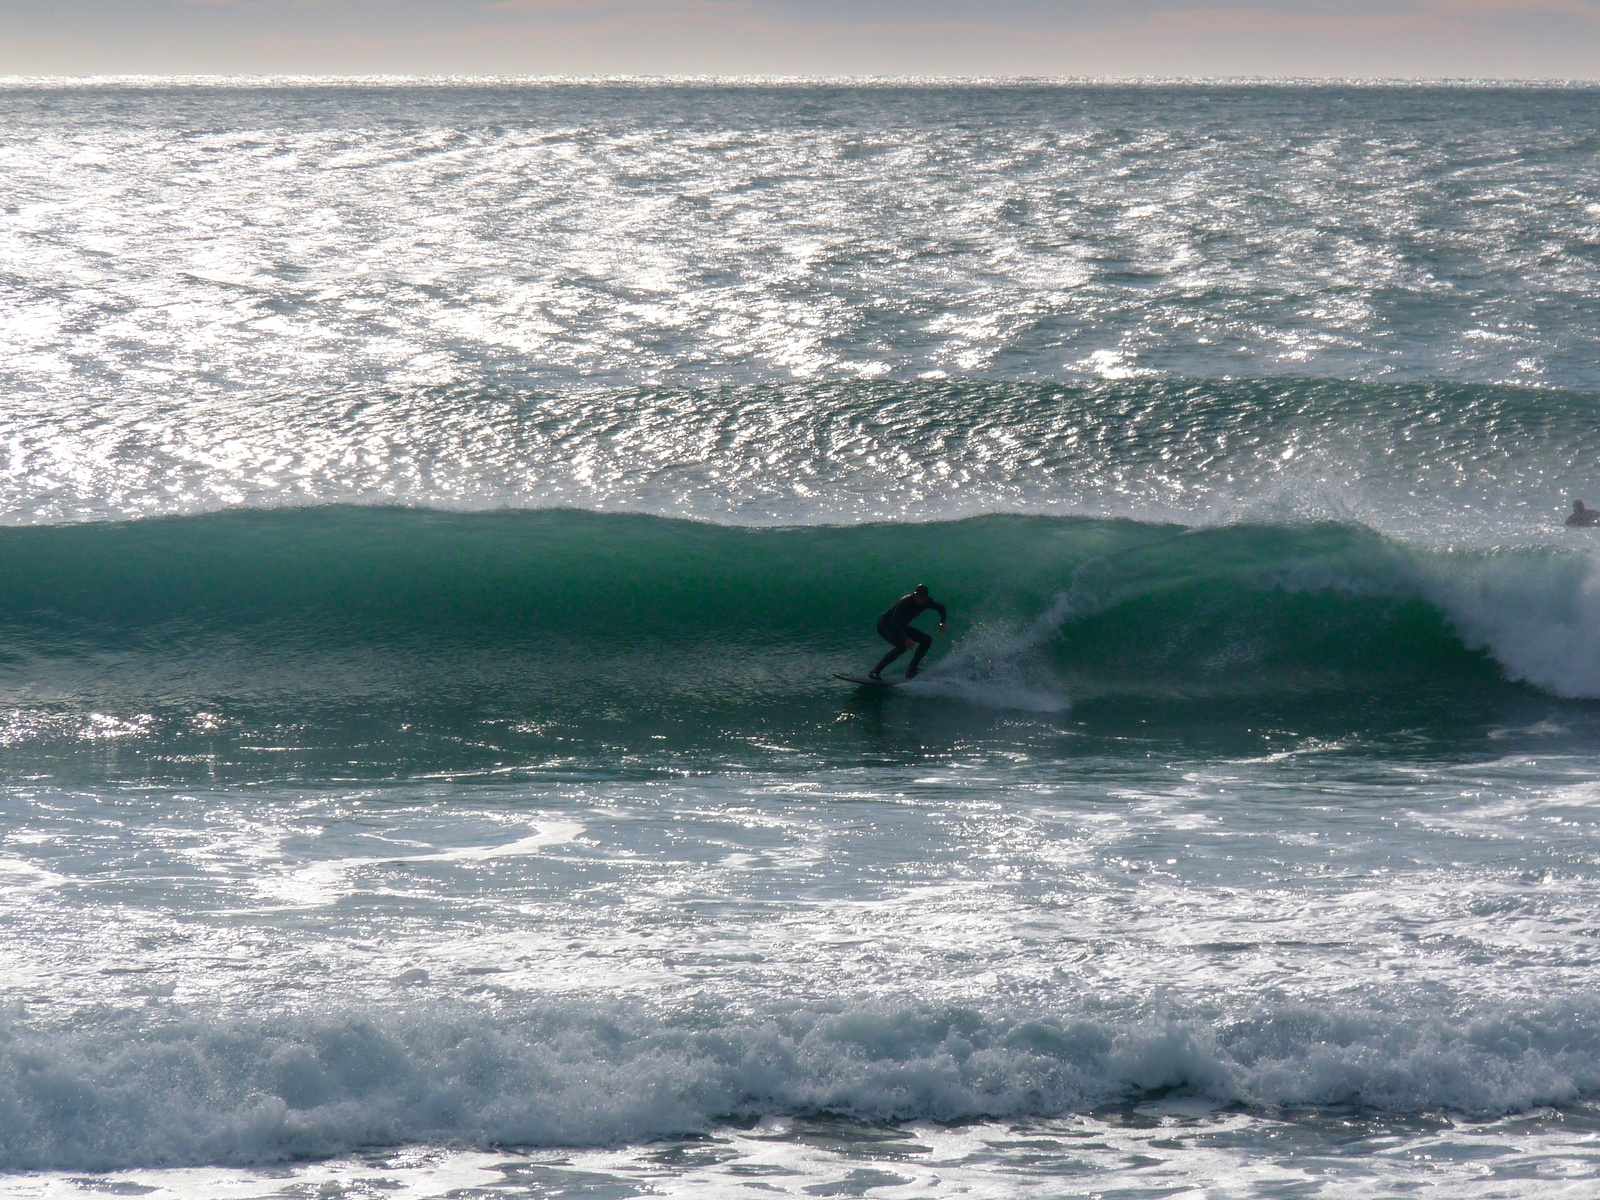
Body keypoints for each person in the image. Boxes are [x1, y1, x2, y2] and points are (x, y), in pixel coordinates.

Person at [869, 584, 948, 681]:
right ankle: (875, 671)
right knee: (902, 646)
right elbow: (894, 621)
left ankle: (912, 669)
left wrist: (942, 622)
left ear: (925, 598)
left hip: (900, 626)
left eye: (921, 598)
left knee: (927, 640)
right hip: (885, 625)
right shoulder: (905, 602)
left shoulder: (928, 602)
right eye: (916, 596)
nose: (918, 599)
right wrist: (906, 638)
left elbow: (941, 608)